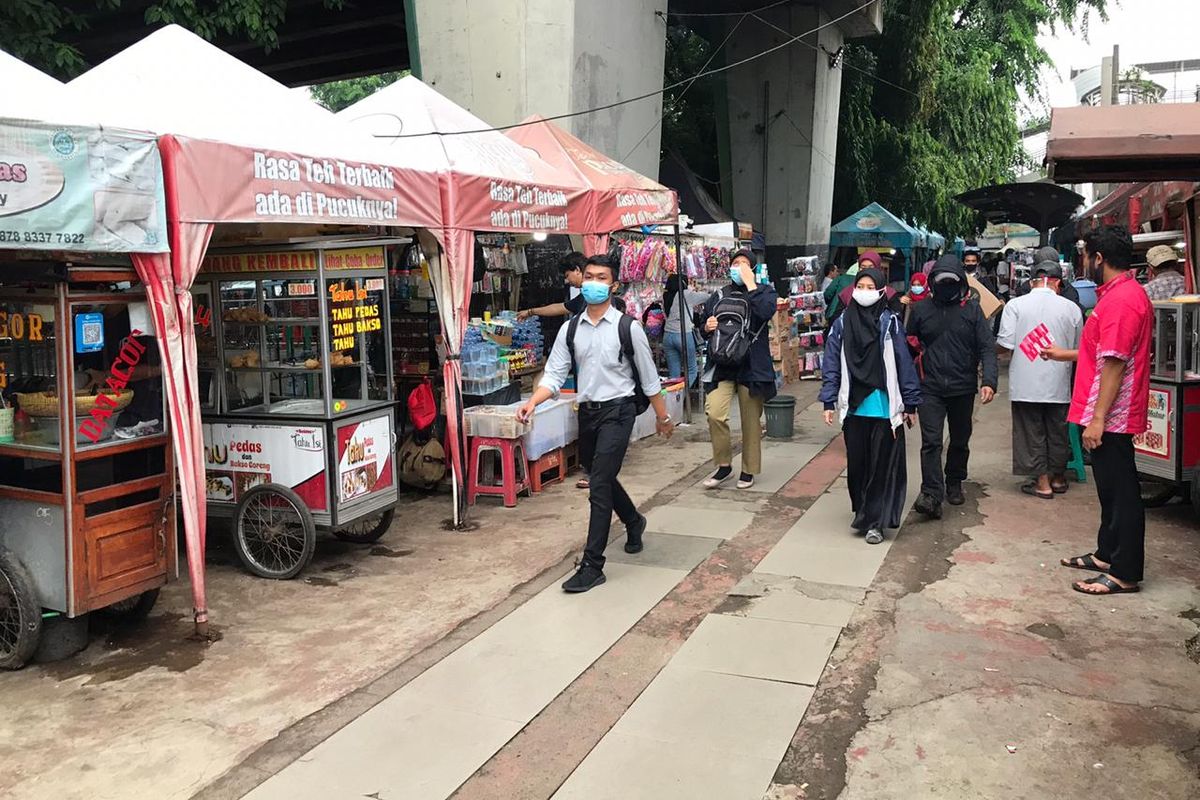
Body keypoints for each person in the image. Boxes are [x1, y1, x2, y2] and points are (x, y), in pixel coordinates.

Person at [519, 255, 674, 594]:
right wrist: (533, 402)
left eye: (600, 277)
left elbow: (649, 380)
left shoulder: (628, 328)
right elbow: (555, 374)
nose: (592, 283)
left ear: (613, 285)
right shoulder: (571, 327)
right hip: (587, 413)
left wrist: (662, 417)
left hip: (618, 412)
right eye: (587, 276)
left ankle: (593, 564)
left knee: (598, 485)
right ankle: (634, 521)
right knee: (599, 473)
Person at [1041, 226, 1151, 596]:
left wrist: (1099, 418)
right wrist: (1065, 354)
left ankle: (1124, 570)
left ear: (1099, 259)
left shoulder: (1122, 301)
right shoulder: (1118, 296)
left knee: (1122, 492)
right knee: (1109, 489)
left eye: (1086, 255)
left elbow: (1116, 363)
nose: (1083, 262)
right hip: (1106, 411)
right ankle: (1107, 554)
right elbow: (1104, 351)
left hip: (1113, 415)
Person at [820, 268, 921, 544]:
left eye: (869, 287)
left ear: (880, 291)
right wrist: (828, 399)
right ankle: (863, 511)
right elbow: (831, 363)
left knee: (881, 467)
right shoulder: (842, 323)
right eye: (859, 286)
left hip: (884, 409)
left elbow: (903, 362)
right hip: (854, 408)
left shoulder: (890, 323)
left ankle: (875, 521)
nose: (864, 292)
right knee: (859, 466)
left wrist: (910, 403)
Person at [906, 254, 998, 518]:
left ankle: (955, 480)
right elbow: (909, 344)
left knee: (960, 439)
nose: (946, 286)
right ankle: (932, 493)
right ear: (933, 283)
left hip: (963, 386)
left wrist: (989, 381)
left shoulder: (972, 311)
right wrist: (907, 382)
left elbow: (986, 348)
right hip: (929, 387)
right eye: (941, 281)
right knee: (931, 442)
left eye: (951, 281)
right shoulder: (921, 310)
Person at [996, 261, 1082, 499]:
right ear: (1058, 282)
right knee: (1057, 430)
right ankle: (1058, 478)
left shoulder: (1015, 305)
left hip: (1025, 383)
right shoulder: (1071, 308)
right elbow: (1079, 348)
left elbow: (1004, 345)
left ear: (1032, 281)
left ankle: (1041, 483)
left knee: (1029, 431)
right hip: (1059, 382)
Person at [700, 250, 778, 490]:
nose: (739, 267)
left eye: (745, 263)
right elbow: (703, 326)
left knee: (750, 420)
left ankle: (748, 469)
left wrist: (751, 284)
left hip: (752, 366)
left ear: (753, 268)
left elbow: (765, 312)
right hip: (722, 364)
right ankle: (724, 465)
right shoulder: (720, 294)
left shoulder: (765, 292)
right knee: (715, 412)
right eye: (735, 263)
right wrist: (707, 326)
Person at [662, 274, 708, 388]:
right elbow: (707, 297)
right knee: (692, 370)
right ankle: (682, 395)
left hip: (667, 336)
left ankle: (674, 401)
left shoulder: (665, 295)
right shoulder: (686, 294)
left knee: (674, 374)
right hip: (683, 335)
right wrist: (694, 290)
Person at [825, 251, 878, 325]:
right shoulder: (882, 291)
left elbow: (827, 294)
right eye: (863, 268)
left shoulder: (841, 279)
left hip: (835, 315)